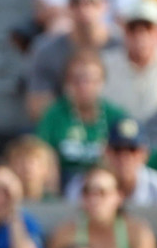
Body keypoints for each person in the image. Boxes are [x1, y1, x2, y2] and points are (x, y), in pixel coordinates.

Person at [35, 49, 129, 189]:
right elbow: (43, 155)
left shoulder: (116, 116)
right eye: (77, 80)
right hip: (64, 183)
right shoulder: (54, 115)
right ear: (67, 83)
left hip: (105, 185)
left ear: (102, 82)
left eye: (91, 80)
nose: (84, 86)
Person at [64, 117, 157, 205]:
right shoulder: (81, 187)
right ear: (105, 152)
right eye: (117, 149)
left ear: (145, 154)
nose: (125, 157)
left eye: (132, 149)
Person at [100, 0, 157, 124]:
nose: (140, 35)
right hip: (116, 139)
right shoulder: (105, 63)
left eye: (148, 28)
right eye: (133, 28)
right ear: (124, 30)